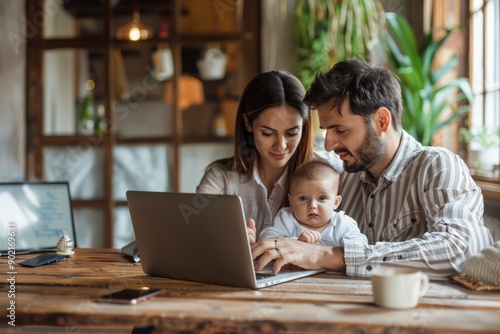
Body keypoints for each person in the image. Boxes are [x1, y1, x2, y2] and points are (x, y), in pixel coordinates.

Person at [251, 58, 494, 277]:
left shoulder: (438, 167)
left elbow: (459, 250)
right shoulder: (338, 175)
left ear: (382, 120)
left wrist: (326, 255)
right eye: (326, 130)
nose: (329, 143)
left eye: (341, 130)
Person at [196, 70, 340, 239]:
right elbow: (196, 238)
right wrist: (229, 240)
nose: (281, 146)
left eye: (292, 133)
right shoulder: (221, 178)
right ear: (248, 123)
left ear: (304, 126)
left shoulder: (330, 171)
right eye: (267, 133)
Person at [260, 160, 367, 249]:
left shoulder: (342, 223)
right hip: (294, 274)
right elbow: (266, 239)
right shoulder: (287, 218)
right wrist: (295, 242)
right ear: (291, 201)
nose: (312, 205)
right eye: (303, 198)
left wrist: (344, 247)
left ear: (336, 202)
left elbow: (362, 246)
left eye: (322, 198)